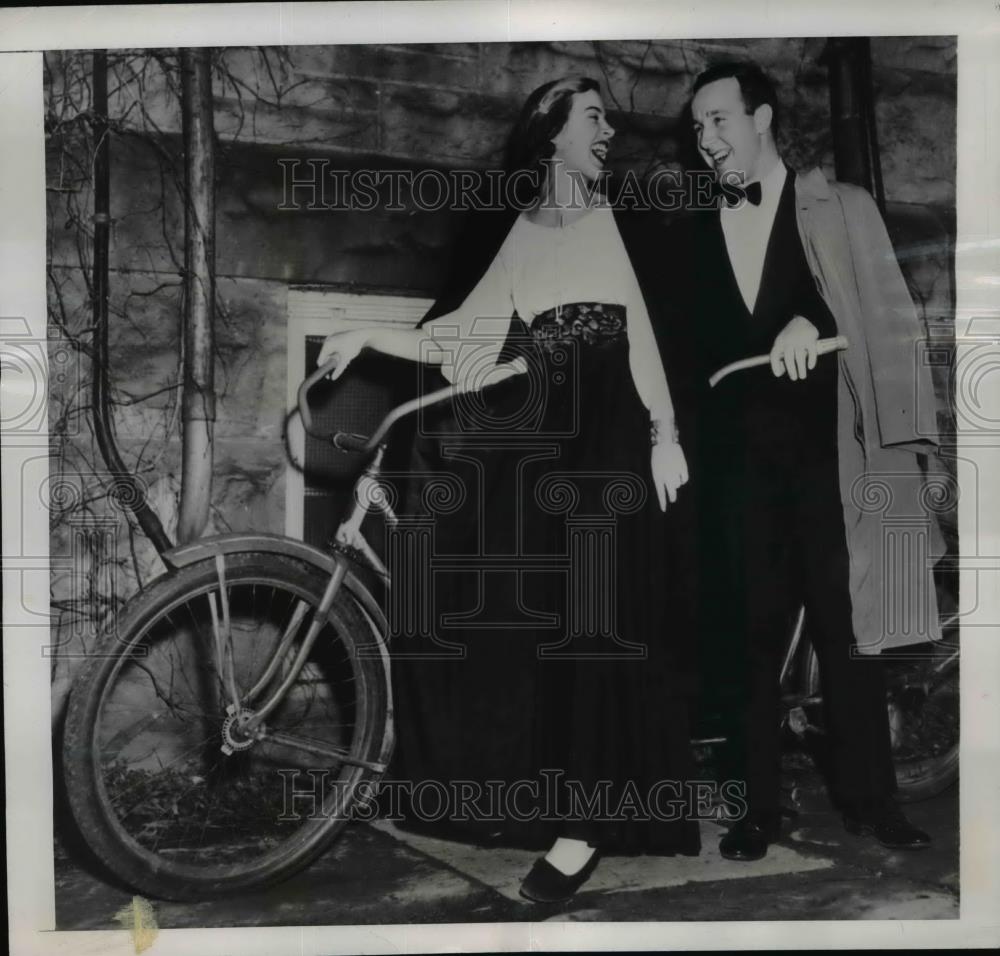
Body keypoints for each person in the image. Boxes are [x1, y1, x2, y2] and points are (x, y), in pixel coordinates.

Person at [317, 76, 702, 902]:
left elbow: (645, 337)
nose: (609, 129)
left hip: (612, 429)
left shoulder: (617, 216)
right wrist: (365, 333)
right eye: (593, 116)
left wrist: (665, 437)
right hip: (548, 436)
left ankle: (582, 830)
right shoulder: (527, 231)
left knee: (598, 619)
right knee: (540, 615)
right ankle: (553, 797)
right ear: (552, 134)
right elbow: (459, 337)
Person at [668, 60, 941, 862]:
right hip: (735, 473)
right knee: (747, 642)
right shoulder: (695, 224)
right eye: (696, 127)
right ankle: (756, 809)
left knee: (851, 634)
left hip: (832, 464)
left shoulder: (839, 205)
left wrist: (806, 320)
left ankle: (873, 801)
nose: (706, 139)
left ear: (763, 118)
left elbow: (880, 316)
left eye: (719, 120)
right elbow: (688, 353)